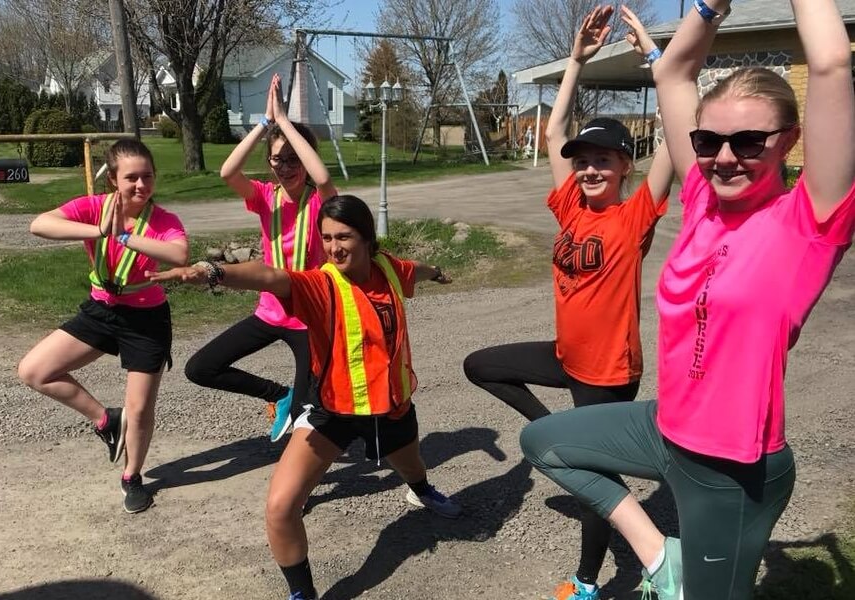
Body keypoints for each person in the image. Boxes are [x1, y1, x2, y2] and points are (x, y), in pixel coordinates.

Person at [520, 1, 855, 599]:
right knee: (544, 442)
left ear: (789, 141)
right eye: (709, 140)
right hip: (666, 428)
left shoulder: (808, 222)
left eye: (749, 142)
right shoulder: (702, 199)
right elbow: (674, 74)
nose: (725, 156)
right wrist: (710, 8)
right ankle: (660, 558)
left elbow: (830, 64)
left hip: (732, 469)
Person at [149, 194, 461, 600]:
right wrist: (212, 271)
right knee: (280, 506)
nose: (334, 247)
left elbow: (413, 270)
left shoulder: (387, 268)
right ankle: (302, 594)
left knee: (412, 464)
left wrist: (436, 272)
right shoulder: (321, 284)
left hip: (392, 406)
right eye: (327, 238)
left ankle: (421, 491)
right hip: (334, 409)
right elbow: (268, 276)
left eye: (344, 237)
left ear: (368, 239)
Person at [463, 6, 672, 600]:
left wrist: (655, 61)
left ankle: (587, 583)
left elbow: (678, 144)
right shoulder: (571, 206)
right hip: (565, 354)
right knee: (481, 365)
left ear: (625, 166)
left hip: (606, 374)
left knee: (592, 485)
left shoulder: (635, 217)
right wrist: (576, 61)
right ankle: (554, 432)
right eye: (584, 163)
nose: (588, 170)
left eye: (602, 161)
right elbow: (555, 136)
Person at [17, 139, 189, 514]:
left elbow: (179, 254)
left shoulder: (163, 220)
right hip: (101, 310)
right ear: (113, 179)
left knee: (140, 409)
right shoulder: (93, 208)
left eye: (148, 176)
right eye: (132, 178)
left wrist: (125, 237)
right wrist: (97, 231)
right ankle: (105, 419)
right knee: (34, 370)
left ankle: (133, 476)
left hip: (146, 319)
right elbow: (39, 225)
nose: (141, 185)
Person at [184, 73, 337, 442]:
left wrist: (285, 121)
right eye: (276, 161)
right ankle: (278, 395)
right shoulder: (264, 197)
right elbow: (227, 172)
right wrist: (266, 123)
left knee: (306, 419)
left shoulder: (319, 201)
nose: (284, 168)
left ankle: (298, 485)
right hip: (269, 313)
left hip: (308, 319)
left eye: (291, 159)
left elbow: (322, 175)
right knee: (200, 368)